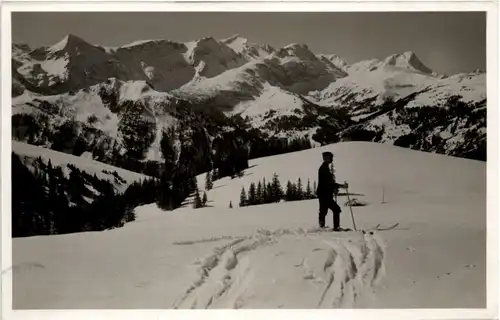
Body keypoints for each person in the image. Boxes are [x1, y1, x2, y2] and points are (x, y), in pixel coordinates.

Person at [316, 151, 348, 230]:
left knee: (323, 211)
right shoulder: (324, 169)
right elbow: (328, 183)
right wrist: (340, 186)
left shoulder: (324, 168)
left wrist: (335, 188)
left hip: (323, 194)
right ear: (326, 158)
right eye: (331, 157)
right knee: (336, 210)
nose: (332, 159)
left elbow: (328, 183)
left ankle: (321, 228)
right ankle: (336, 228)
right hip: (325, 194)